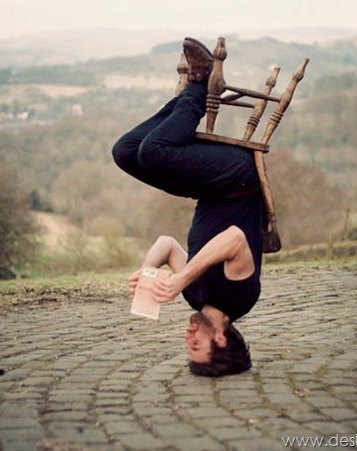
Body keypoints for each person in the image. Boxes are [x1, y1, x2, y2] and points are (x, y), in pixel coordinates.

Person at [112, 37, 263, 377]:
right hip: (237, 180)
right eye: (196, 344)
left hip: (208, 189)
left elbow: (166, 244)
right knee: (153, 153)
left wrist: (147, 272)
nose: (187, 337)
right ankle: (203, 82)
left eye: (187, 345)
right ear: (221, 340)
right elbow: (234, 239)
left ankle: (189, 93)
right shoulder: (241, 296)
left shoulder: (195, 296)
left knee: (126, 151)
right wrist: (179, 279)